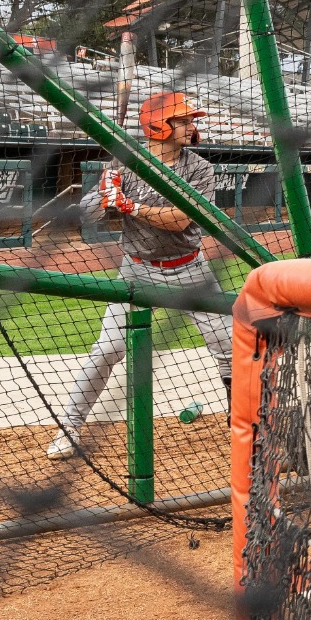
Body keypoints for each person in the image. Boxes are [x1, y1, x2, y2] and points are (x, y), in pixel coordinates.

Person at [48, 92, 232, 459]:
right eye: (183, 120)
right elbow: (87, 217)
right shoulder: (124, 162)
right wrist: (104, 196)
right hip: (136, 272)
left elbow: (181, 218)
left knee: (230, 347)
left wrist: (129, 205)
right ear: (158, 125)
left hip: (189, 269)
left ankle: (241, 420)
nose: (192, 126)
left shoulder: (198, 168)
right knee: (108, 350)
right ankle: (68, 427)